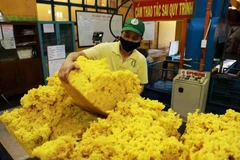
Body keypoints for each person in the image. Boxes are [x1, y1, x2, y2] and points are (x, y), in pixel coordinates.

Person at [58, 18, 148, 93]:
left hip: (124, 103)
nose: (129, 40)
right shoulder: (104, 48)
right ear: (121, 34)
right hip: (101, 100)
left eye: (135, 38)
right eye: (126, 36)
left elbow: (141, 84)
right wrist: (68, 61)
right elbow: (78, 54)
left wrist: (129, 98)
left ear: (141, 40)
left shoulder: (140, 59)